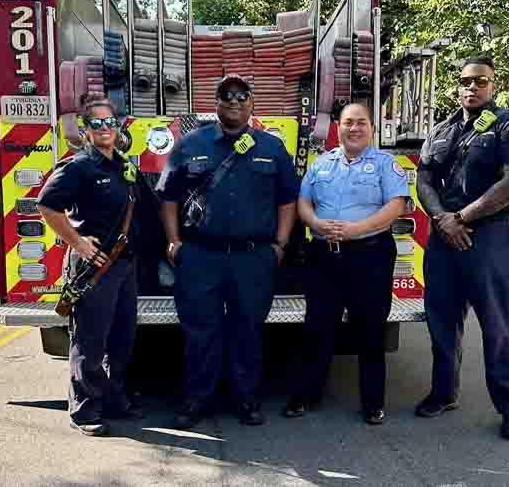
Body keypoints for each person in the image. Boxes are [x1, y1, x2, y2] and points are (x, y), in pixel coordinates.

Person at [158, 74, 299, 429]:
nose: (234, 102)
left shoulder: (271, 147)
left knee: (247, 329)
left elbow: (288, 200)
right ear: (215, 103)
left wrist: (280, 243)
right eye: (226, 96)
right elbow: (169, 197)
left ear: (252, 103)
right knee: (199, 331)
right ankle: (196, 401)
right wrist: (174, 241)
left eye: (241, 96)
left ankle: (246, 399)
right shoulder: (190, 144)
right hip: (201, 256)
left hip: (253, 258)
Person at [415, 55, 509, 441]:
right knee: (442, 323)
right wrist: (441, 219)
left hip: (492, 239)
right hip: (444, 238)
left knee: (499, 328)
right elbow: (424, 180)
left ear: (493, 84)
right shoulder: (442, 129)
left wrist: (461, 217)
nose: (472, 87)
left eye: (480, 81)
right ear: (458, 85)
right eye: (466, 81)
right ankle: (443, 392)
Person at [282, 101, 409, 425]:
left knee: (370, 330)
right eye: (349, 122)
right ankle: (305, 396)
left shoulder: (386, 164)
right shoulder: (321, 164)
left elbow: (396, 206)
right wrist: (315, 223)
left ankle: (372, 403)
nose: (354, 128)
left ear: (372, 128)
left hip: (370, 255)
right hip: (325, 257)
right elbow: (304, 201)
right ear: (338, 127)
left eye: (361, 123)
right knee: (317, 328)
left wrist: (355, 230)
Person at [37, 99, 149, 438]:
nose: (105, 129)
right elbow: (47, 205)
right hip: (94, 267)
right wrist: (77, 241)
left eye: (110, 122)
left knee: (122, 338)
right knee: (89, 341)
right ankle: (84, 410)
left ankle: (114, 399)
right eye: (97, 124)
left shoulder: (123, 166)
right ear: (85, 131)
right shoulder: (79, 166)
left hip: (124, 266)